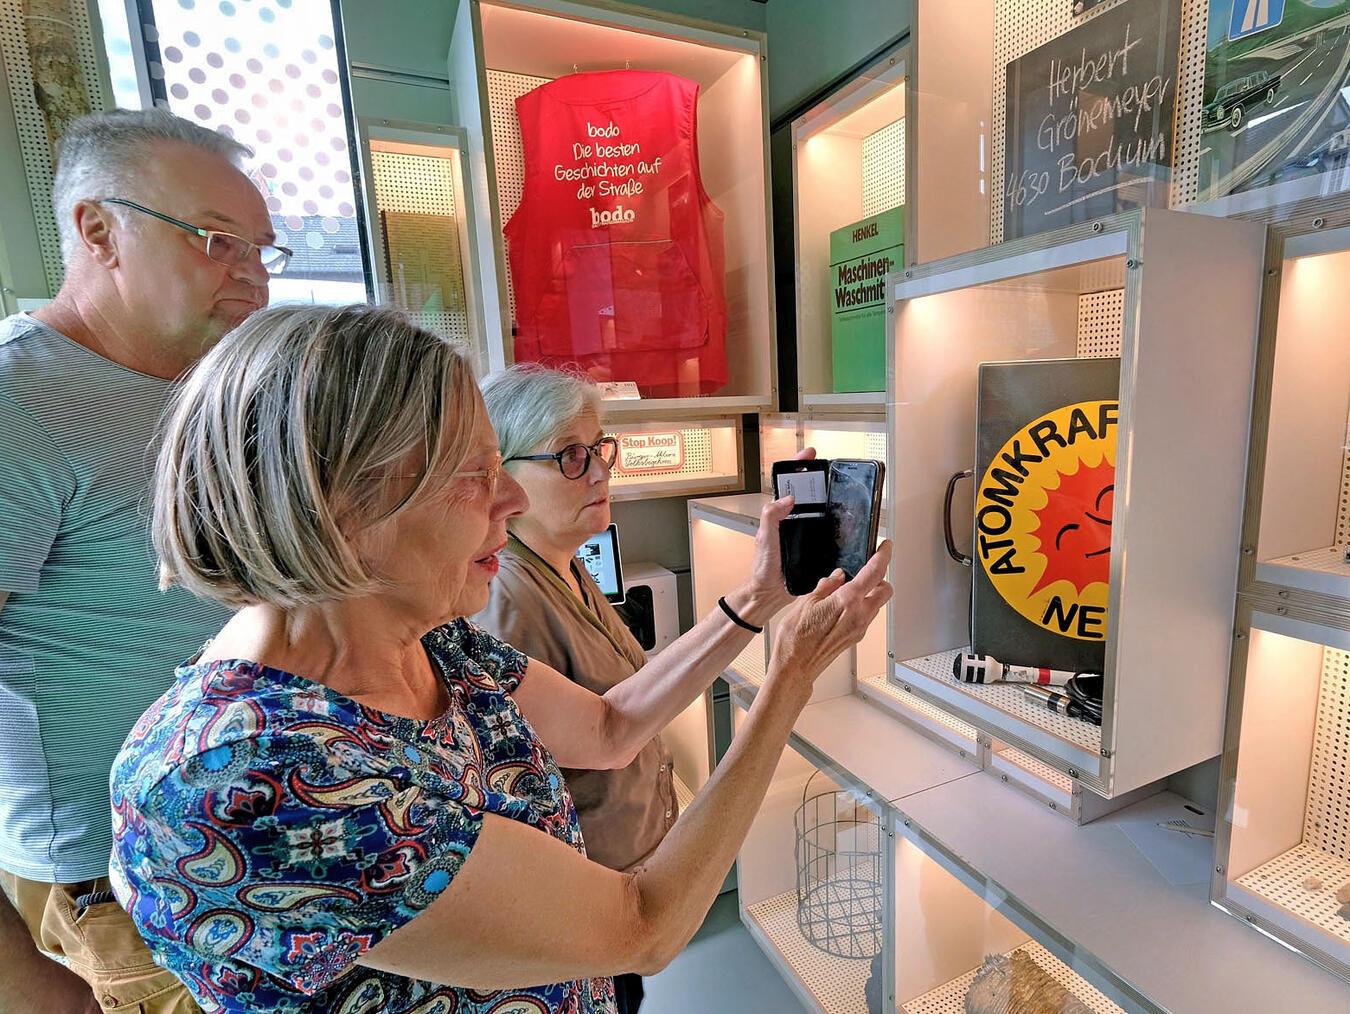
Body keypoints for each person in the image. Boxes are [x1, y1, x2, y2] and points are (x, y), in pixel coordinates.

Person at [110, 303, 892, 1013]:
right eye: (475, 477)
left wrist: (754, 605)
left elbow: (612, 726)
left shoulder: (431, 638)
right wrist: (787, 681)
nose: (510, 503)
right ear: (338, 503)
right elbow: (643, 926)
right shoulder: (247, 777)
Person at [0, 109, 282, 1013]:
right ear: (97, 230)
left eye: (260, 248)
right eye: (216, 240)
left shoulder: (209, 387)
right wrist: (20, 982)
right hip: (122, 884)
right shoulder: (17, 403)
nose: (251, 274)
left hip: (261, 831)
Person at [475, 364, 804, 1014]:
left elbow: (619, 712)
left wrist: (759, 601)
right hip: (583, 914)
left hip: (620, 886)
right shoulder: (505, 602)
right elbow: (599, 738)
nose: (601, 471)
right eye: (572, 456)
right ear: (504, 474)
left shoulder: (566, 566)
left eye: (600, 449)